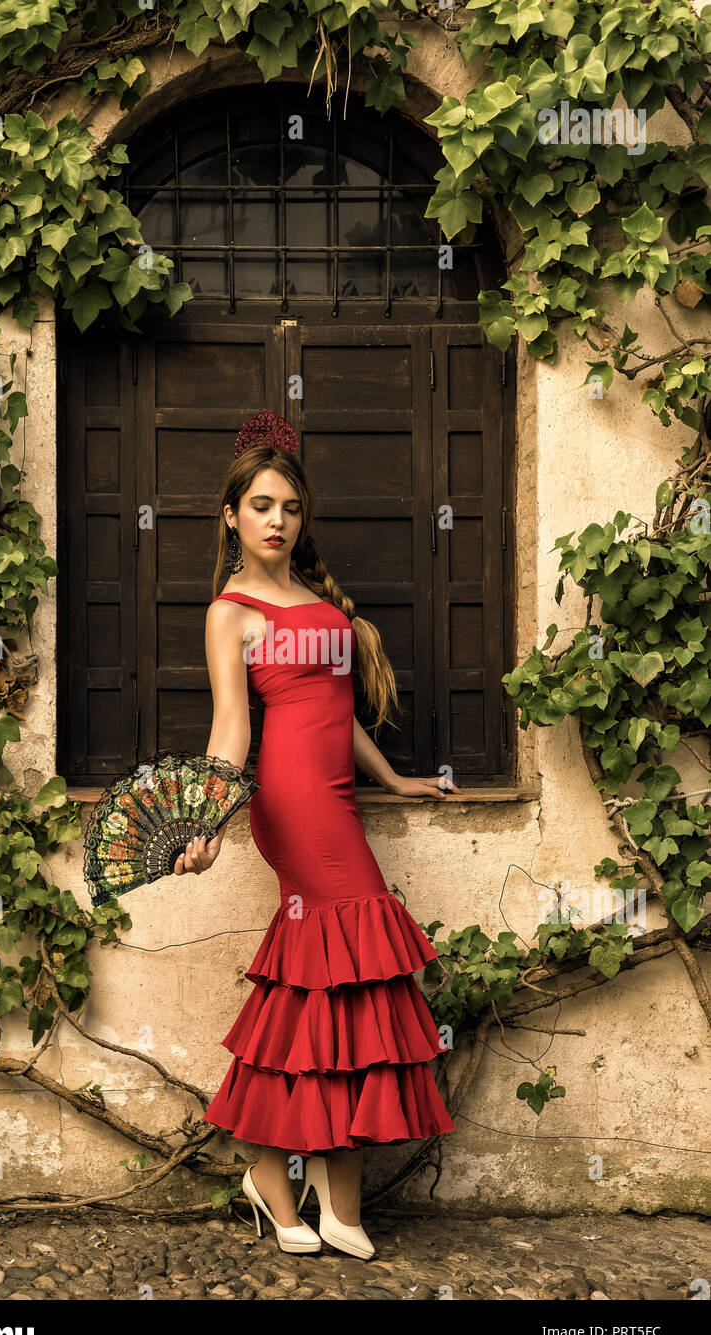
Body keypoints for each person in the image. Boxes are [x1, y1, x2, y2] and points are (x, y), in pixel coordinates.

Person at [175, 409, 457, 1259]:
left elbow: (338, 710)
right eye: (260, 505)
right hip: (292, 804)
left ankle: (314, 1189)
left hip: (339, 792)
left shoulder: (315, 599)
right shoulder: (233, 609)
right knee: (351, 964)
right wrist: (208, 819)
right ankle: (294, 1178)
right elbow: (233, 731)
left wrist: (393, 777)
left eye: (290, 507)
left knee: (339, 985)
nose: (276, 520)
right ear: (232, 516)